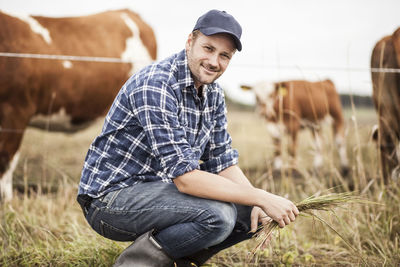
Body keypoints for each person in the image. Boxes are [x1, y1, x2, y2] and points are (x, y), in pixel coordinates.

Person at [77, 9, 299, 267]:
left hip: (160, 194)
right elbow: (185, 180)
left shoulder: (213, 94)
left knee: (252, 216)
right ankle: (135, 264)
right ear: (190, 42)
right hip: (110, 201)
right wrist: (261, 196)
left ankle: (178, 262)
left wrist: (257, 203)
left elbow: (222, 161)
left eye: (224, 55)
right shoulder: (156, 84)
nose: (214, 61)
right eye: (208, 48)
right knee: (220, 215)